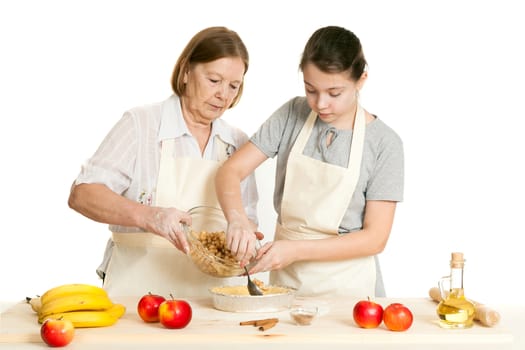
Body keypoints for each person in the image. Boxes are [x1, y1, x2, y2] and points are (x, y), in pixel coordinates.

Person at [68, 26, 258, 297]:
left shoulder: (237, 142)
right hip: (138, 295)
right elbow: (82, 194)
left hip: (214, 300)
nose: (223, 95)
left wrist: (246, 238)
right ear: (185, 72)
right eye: (214, 80)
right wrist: (150, 216)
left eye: (233, 86)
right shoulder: (140, 125)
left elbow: (247, 219)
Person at [215, 26, 404, 297]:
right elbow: (230, 171)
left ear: (361, 80)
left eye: (334, 93)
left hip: (349, 291)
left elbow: (375, 238)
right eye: (310, 89)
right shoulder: (293, 113)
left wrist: (295, 250)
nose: (321, 103)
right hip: (286, 283)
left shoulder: (385, 143)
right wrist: (237, 219)